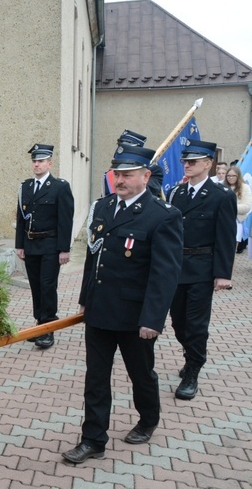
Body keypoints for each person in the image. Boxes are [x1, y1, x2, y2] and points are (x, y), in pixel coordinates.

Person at [62, 143, 183, 464]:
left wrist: (153, 320)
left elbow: (164, 274)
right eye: (117, 174)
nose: (121, 180)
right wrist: (86, 299)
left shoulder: (162, 216)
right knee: (96, 379)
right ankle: (93, 439)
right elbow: (93, 257)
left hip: (135, 316)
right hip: (101, 311)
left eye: (128, 175)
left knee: (140, 374)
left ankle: (148, 418)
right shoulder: (102, 208)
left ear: (145, 176)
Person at [168, 139, 236, 400]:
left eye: (192, 161)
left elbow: (226, 238)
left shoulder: (222, 196)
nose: (186, 165)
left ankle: (193, 369)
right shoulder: (177, 193)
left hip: (202, 268)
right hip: (176, 267)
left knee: (196, 323)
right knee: (178, 322)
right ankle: (191, 355)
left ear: (208, 164)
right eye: (185, 161)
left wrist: (223, 274)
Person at [15, 144, 74, 348]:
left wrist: (64, 249)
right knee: (35, 286)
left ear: (50, 163)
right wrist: (19, 245)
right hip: (31, 245)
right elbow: (21, 219)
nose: (36, 164)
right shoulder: (26, 187)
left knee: (48, 286)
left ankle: (48, 328)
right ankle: (39, 324)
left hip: (50, 245)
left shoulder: (60, 187)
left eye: (41, 161)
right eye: (34, 161)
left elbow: (65, 220)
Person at [222, 165, 251, 253]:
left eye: (233, 175)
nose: (230, 178)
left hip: (236, 221)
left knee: (231, 251)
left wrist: (229, 207)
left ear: (238, 176)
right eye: (228, 175)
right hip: (222, 221)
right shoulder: (221, 187)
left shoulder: (245, 188)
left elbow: (247, 206)